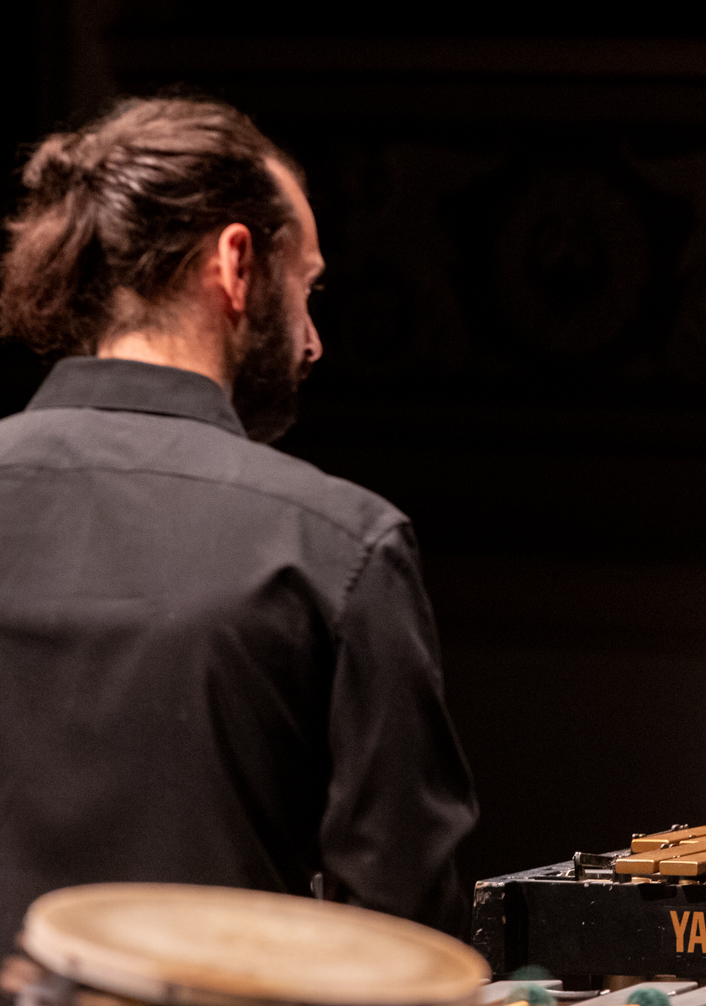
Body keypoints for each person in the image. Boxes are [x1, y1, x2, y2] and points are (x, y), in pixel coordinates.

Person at [0, 97, 477, 939]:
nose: (312, 339)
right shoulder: (339, 544)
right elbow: (405, 939)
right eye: (307, 286)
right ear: (235, 261)